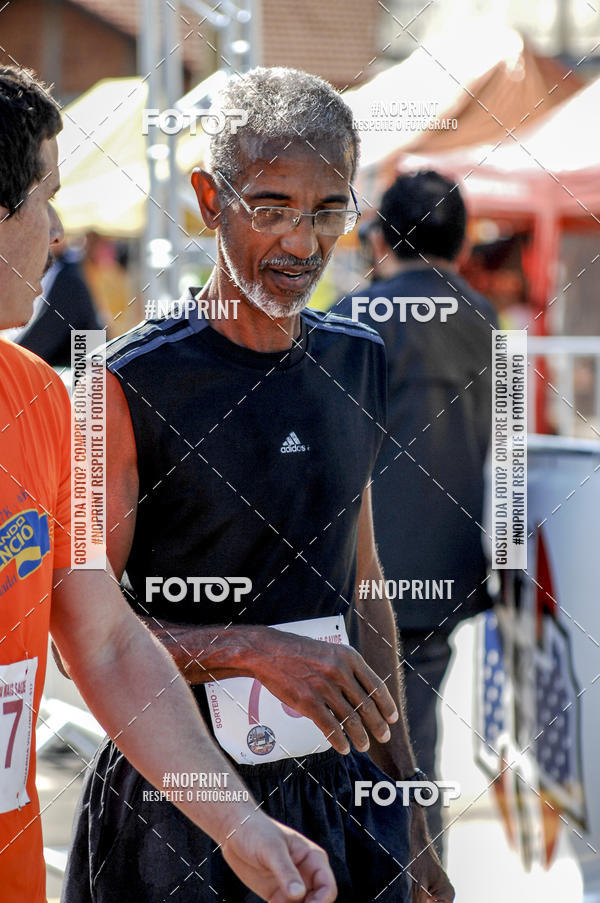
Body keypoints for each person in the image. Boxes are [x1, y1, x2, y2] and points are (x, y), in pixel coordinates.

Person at [61, 68, 454, 903]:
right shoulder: (127, 384)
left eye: (328, 210)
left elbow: (366, 586)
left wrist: (409, 809)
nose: (302, 243)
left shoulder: (359, 359)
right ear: (210, 199)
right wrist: (253, 648)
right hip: (183, 815)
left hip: (341, 798)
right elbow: (88, 643)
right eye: (271, 207)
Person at [0, 64, 337, 903]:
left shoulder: (38, 398)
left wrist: (240, 824)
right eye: (47, 196)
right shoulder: (121, 382)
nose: (60, 230)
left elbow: (107, 640)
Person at [336, 170, 498, 858]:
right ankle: (419, 873)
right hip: (447, 565)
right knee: (415, 740)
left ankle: (378, 874)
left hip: (357, 574)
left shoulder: (352, 314)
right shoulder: (487, 320)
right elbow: (504, 447)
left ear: (380, 236)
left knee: (348, 748)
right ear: (461, 243)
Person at [15, 237, 102, 366]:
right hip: (79, 369)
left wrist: (11, 357)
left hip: (79, 373)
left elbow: (46, 334)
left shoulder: (68, 279)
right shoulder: (58, 271)